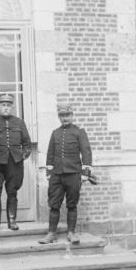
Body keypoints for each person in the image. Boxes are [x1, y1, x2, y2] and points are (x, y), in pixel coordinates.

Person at [38, 102, 93, 245]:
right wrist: (49, 172)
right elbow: (50, 153)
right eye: (62, 116)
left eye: (67, 115)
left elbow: (86, 151)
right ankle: (51, 233)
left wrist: (85, 172)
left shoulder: (79, 131)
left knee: (72, 204)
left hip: (73, 174)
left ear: (72, 115)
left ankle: (71, 233)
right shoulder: (55, 133)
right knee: (54, 204)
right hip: (57, 175)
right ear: (59, 117)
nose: (65, 118)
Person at [0, 93, 32, 233]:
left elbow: (27, 143)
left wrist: (23, 156)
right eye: (3, 105)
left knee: (12, 192)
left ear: (12, 106)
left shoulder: (19, 123)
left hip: (14, 163)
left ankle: (12, 220)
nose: (6, 108)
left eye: (8, 105)